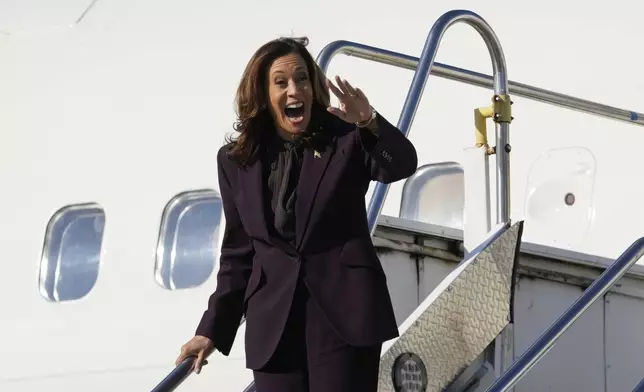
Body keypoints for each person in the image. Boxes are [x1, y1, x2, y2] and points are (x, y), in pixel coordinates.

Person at [175, 36, 418, 392]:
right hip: (274, 326)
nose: (294, 90)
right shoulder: (235, 160)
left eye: (302, 79)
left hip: (343, 318)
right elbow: (239, 254)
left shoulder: (344, 137)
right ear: (262, 93)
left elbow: (401, 165)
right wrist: (211, 329)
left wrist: (368, 121)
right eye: (281, 82)